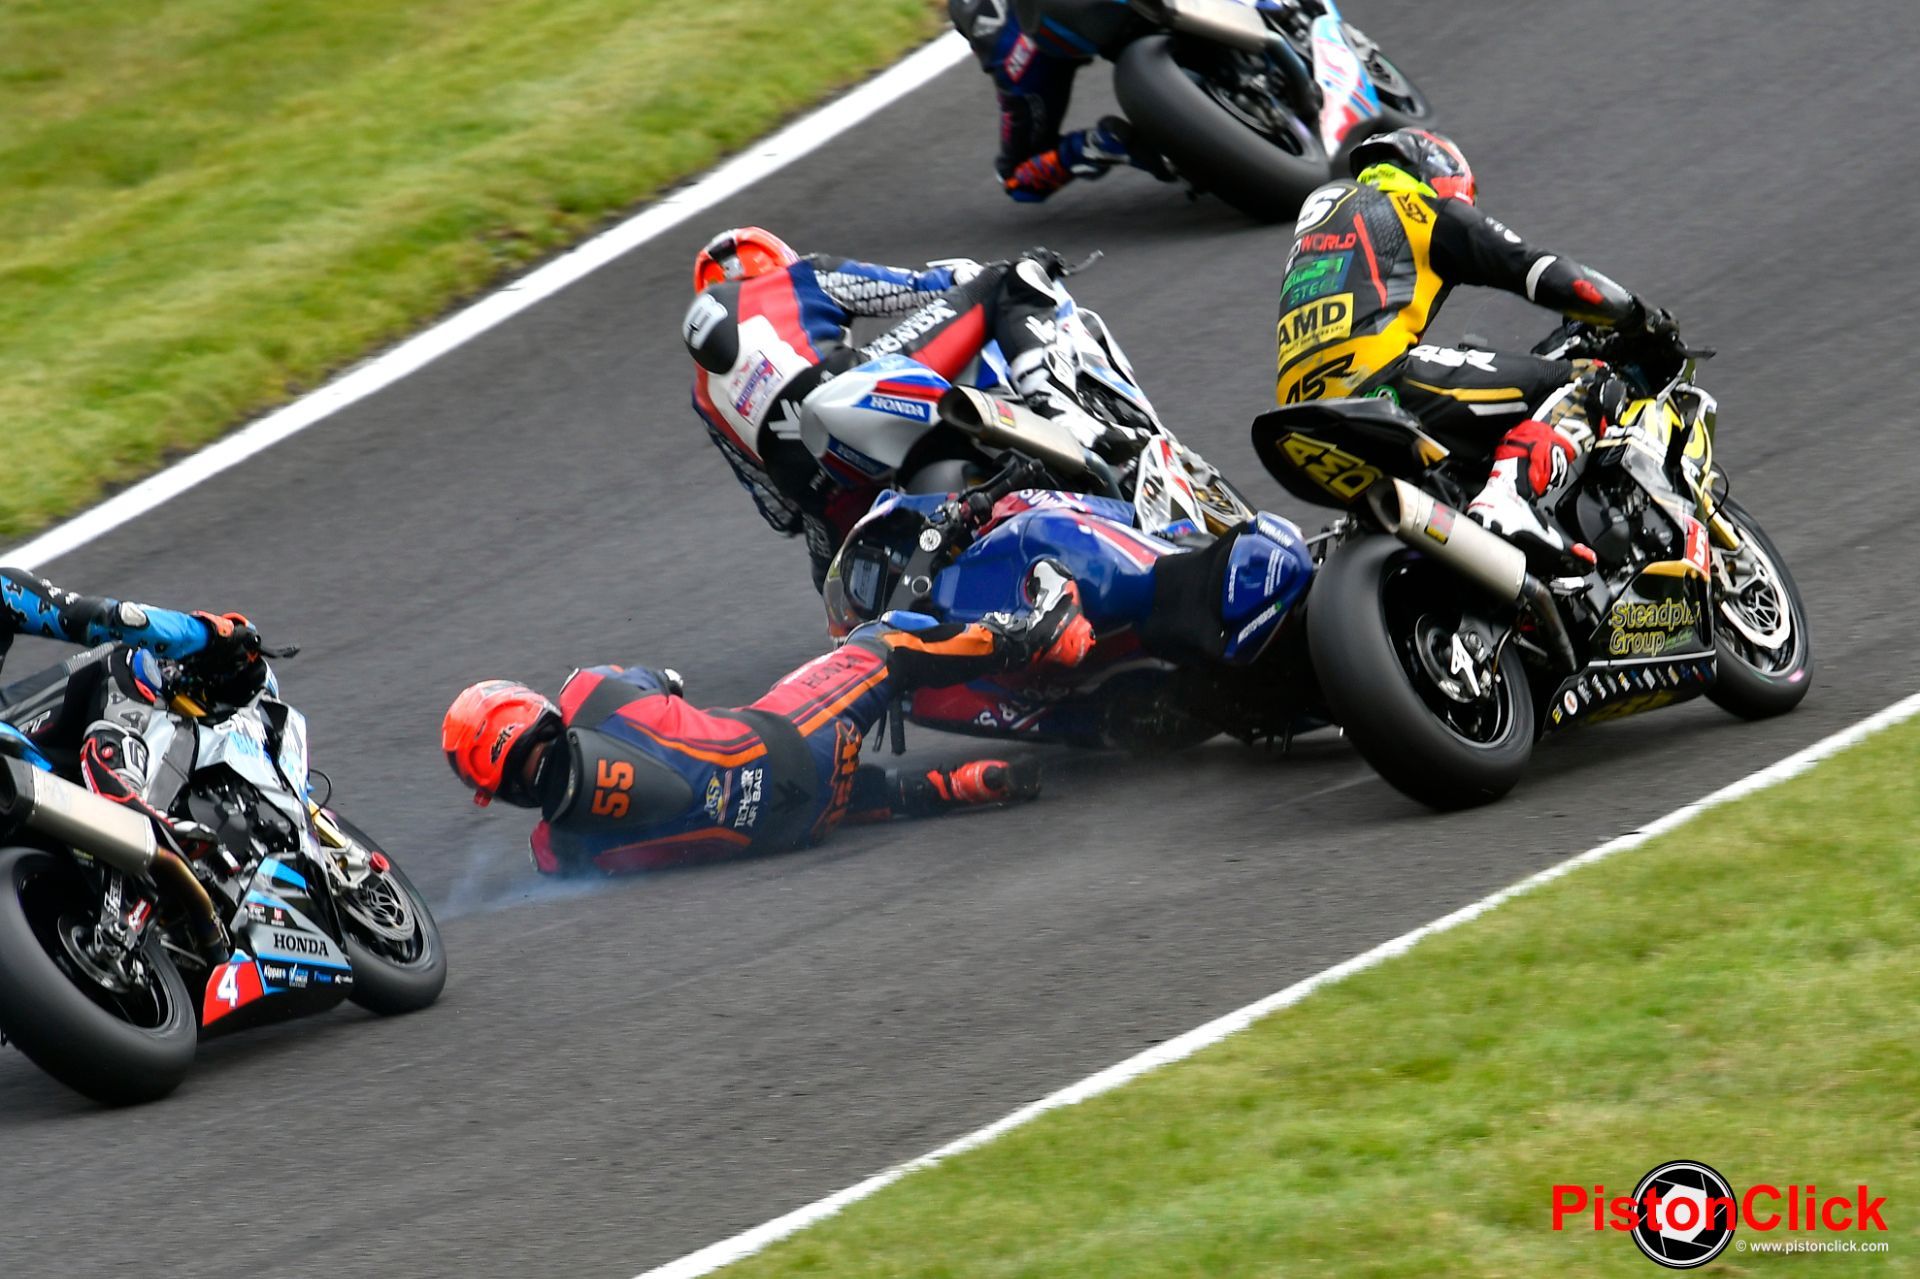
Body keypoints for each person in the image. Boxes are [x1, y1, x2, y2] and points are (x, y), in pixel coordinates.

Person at [441, 578, 1096, 875]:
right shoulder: (590, 690)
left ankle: (955, 786)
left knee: (848, 793)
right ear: (534, 710)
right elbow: (662, 677)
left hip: (792, 832)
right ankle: (1036, 635)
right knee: (885, 642)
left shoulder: (557, 854)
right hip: (789, 739)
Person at [1273, 128, 1676, 560]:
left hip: (1299, 414)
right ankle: (1509, 497)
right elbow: (1540, 271)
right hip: (1378, 381)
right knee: (1588, 380)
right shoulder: (1418, 208)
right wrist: (1637, 315)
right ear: (1436, 172)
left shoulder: (1331, 222)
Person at [683, 228, 1105, 588]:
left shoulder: (704, 397)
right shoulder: (801, 276)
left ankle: (877, 624)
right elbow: (913, 290)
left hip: (807, 478)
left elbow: (778, 511)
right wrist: (965, 274)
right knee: (1007, 281)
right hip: (851, 390)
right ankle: (1066, 418)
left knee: (832, 578)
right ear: (776, 263)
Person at [948, 0, 1175, 202]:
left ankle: (1098, 145)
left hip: (1011, 43)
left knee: (1017, 178)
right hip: (1017, 35)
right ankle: (1117, 145)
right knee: (1017, 178)